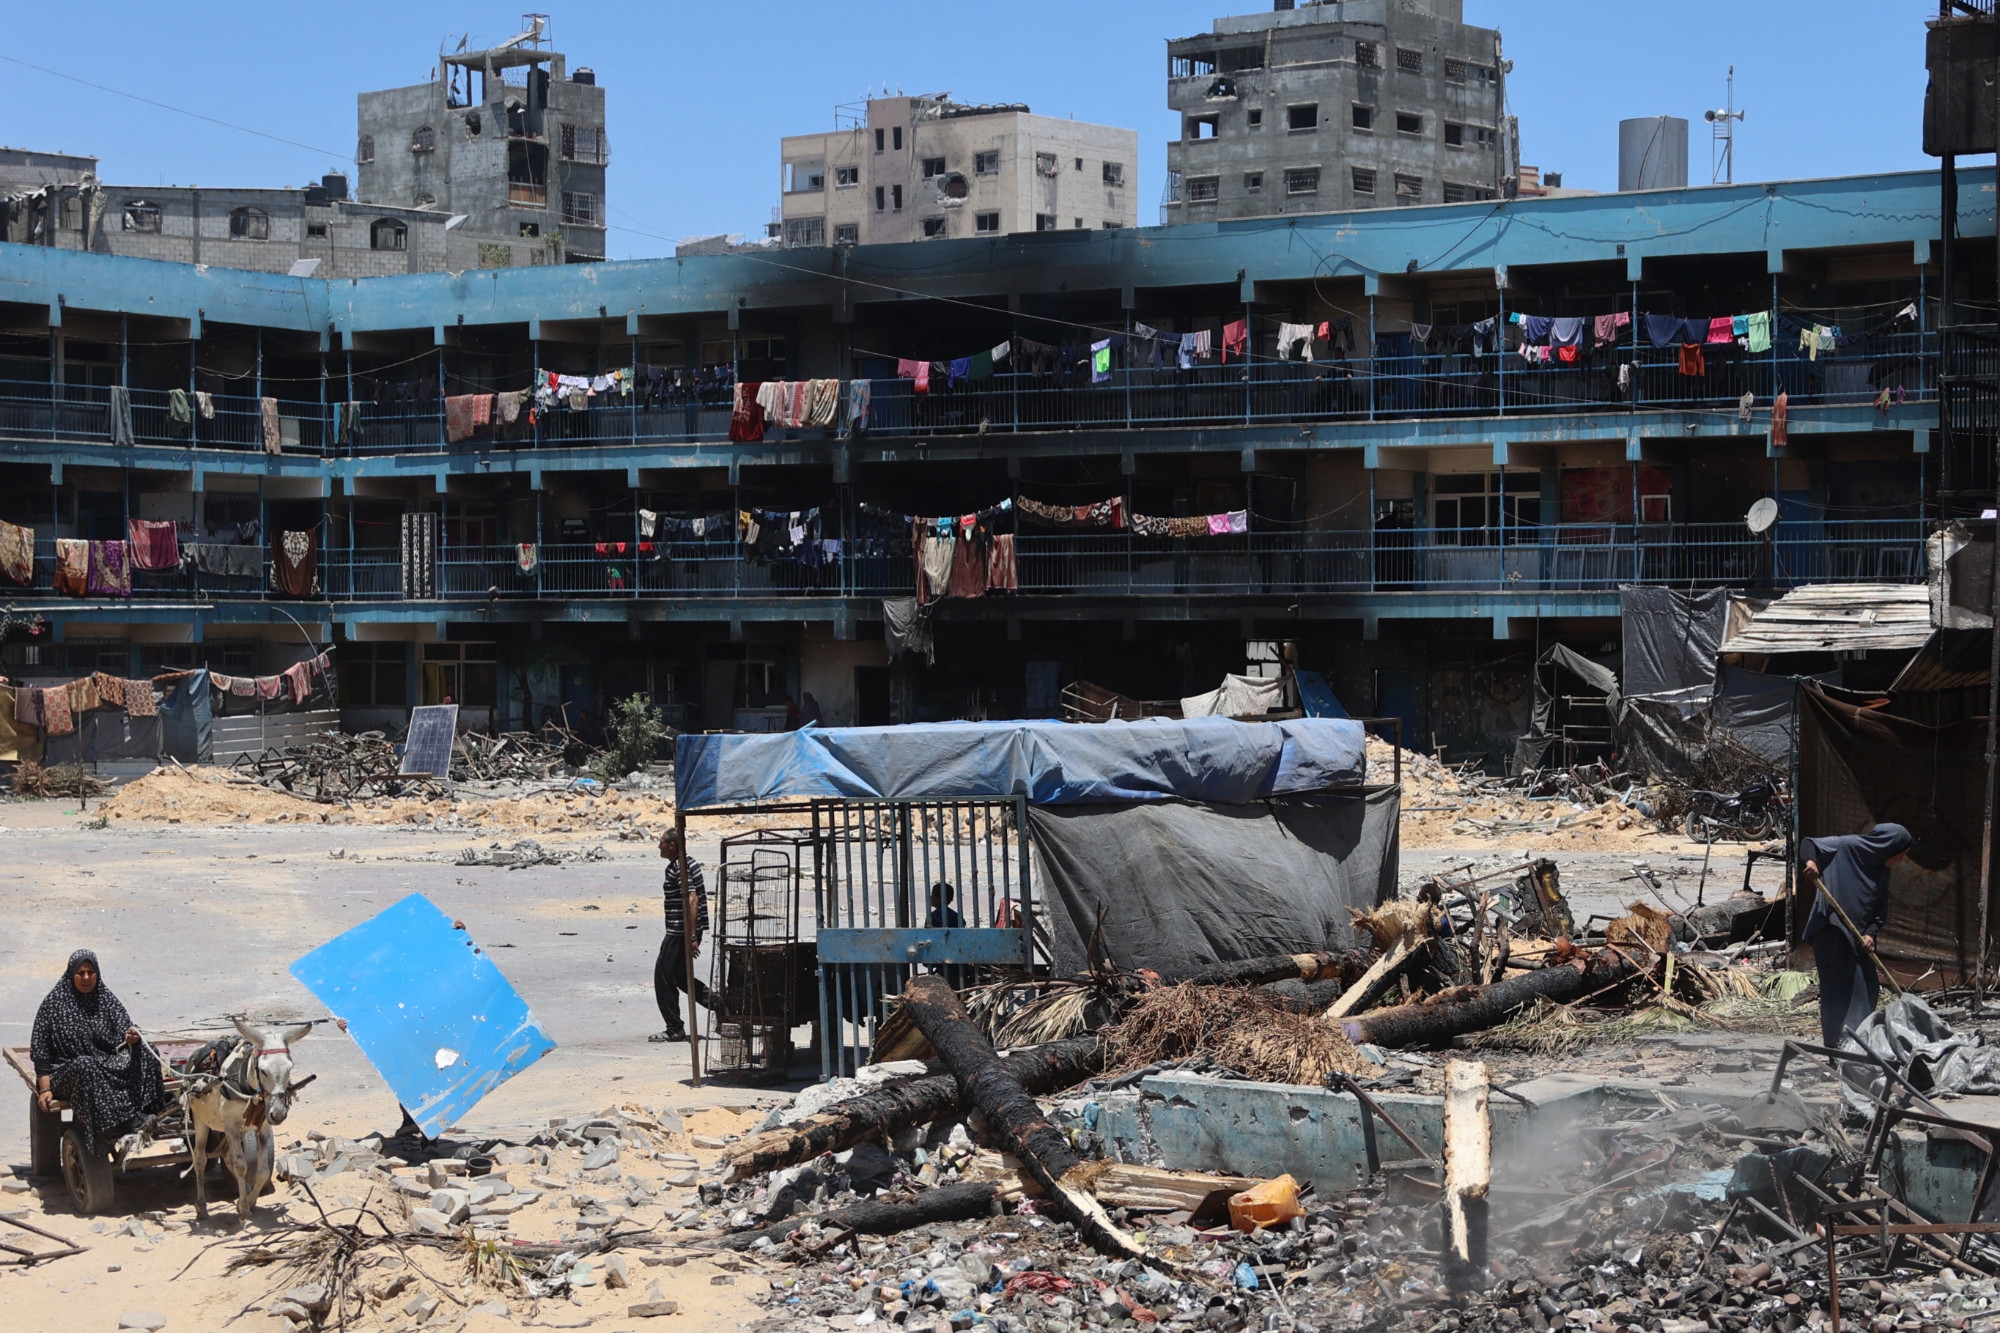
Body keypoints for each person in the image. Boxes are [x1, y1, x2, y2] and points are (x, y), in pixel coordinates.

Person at [31, 950, 166, 1154]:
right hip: (67, 1070)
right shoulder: (53, 1005)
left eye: (91, 972)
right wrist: (44, 1089)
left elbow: (125, 1029)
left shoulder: (105, 998)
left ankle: (148, 1114)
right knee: (86, 1065)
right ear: (71, 974)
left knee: (148, 1051)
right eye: (81, 973)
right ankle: (110, 1126)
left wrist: (131, 1037)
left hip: (105, 1061)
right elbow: (41, 1050)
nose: (86, 978)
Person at [1801, 823, 1912, 1050]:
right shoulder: (1846, 846)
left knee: (1867, 987)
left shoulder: (1882, 870)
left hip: (1858, 936)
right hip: (1831, 930)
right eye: (1901, 855)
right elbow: (1809, 844)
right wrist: (1811, 863)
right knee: (1838, 989)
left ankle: (1857, 1043)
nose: (1901, 861)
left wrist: (1871, 933)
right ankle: (1838, 1045)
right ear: (1887, 847)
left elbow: (1879, 908)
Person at [650, 828, 712, 1043]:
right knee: (680, 977)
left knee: (663, 977)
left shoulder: (681, 866)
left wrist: (692, 936)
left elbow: (692, 900)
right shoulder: (683, 863)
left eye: (662, 843)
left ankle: (675, 1028)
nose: (659, 847)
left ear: (672, 845)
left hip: (680, 931)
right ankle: (723, 1006)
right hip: (682, 930)